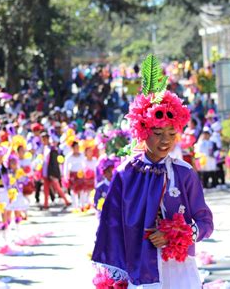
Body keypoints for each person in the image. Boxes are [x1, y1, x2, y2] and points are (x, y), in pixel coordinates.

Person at [92, 55, 213, 288]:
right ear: (142, 131)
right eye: (158, 133)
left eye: (171, 133)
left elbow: (205, 221)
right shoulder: (125, 173)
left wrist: (175, 235)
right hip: (138, 268)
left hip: (178, 269)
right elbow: (110, 225)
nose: (165, 140)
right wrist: (114, 276)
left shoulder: (184, 173)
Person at [41, 132, 70, 210]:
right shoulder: (45, 148)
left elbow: (54, 163)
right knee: (46, 190)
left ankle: (66, 201)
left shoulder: (52, 149)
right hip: (45, 173)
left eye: (45, 139)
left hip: (51, 173)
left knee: (57, 188)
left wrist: (53, 174)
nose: (43, 141)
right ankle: (45, 204)